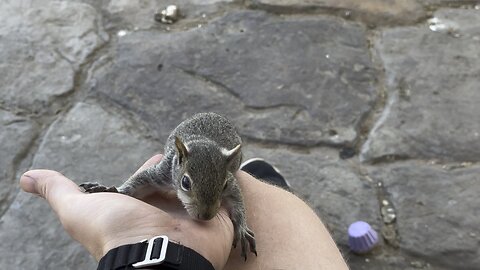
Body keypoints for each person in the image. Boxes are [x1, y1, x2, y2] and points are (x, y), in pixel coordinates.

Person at [19, 154, 348, 270]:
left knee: (244, 190)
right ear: (178, 161)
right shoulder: (168, 168)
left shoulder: (226, 181)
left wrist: (138, 249)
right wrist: (119, 191)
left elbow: (232, 193)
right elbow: (142, 181)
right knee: (267, 196)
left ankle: (258, 179)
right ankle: (270, 183)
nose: (204, 215)